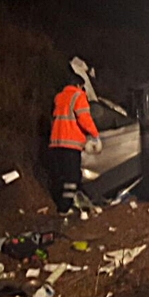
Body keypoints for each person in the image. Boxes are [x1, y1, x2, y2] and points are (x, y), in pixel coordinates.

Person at [48, 70, 101, 215]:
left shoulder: (59, 97)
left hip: (55, 143)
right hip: (71, 143)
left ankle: (61, 203)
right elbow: (84, 119)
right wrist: (95, 135)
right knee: (71, 178)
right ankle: (64, 208)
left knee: (61, 176)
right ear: (79, 85)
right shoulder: (78, 96)